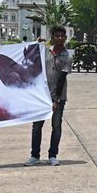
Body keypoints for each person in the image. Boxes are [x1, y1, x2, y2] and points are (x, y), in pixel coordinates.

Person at [25, 26, 71, 166]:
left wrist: (56, 98)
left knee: (56, 126)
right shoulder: (44, 51)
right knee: (37, 126)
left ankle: (52, 154)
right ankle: (34, 155)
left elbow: (62, 77)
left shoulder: (67, 56)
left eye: (62, 36)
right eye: (56, 36)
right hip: (42, 95)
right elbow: (28, 57)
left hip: (58, 96)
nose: (59, 38)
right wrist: (35, 43)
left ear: (65, 38)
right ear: (52, 37)